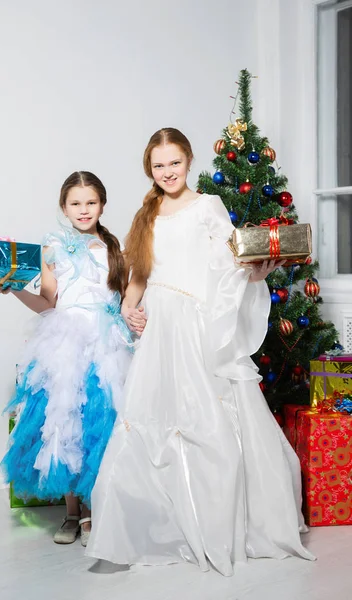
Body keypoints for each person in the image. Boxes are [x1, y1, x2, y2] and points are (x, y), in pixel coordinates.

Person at [84, 129, 315, 574]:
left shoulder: (207, 205)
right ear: (149, 170)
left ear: (188, 162)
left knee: (207, 419)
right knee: (149, 419)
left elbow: (230, 262)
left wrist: (254, 273)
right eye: (158, 166)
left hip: (195, 324)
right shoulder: (145, 216)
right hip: (159, 329)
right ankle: (139, 526)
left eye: (174, 163)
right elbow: (139, 276)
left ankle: (218, 520)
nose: (167, 172)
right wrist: (130, 309)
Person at [0, 171, 137, 546]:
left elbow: (123, 300)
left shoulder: (113, 247)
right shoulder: (53, 245)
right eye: (76, 203)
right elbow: (49, 300)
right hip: (67, 341)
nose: (84, 209)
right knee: (65, 420)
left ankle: (92, 509)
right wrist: (13, 289)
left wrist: (135, 318)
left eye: (91, 202)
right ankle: (72, 513)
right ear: (64, 207)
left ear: (102, 205)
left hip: (107, 343)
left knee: (100, 422)